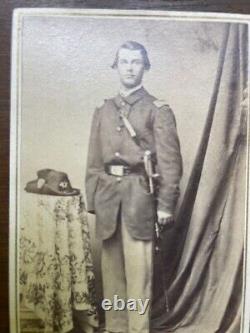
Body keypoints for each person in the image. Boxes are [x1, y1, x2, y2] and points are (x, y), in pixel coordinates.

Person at [85, 41, 182, 333]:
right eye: (124, 62)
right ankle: (116, 329)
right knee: (112, 279)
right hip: (107, 201)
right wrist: (93, 199)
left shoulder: (157, 110)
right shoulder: (102, 110)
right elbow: (92, 160)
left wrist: (165, 204)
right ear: (116, 66)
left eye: (136, 62)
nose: (129, 67)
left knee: (139, 278)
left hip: (139, 200)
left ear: (145, 67)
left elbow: (170, 162)